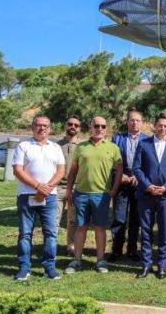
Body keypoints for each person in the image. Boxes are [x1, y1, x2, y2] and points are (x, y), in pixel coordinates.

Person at [64, 116, 123, 274]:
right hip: (81, 194)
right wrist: (69, 190)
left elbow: (119, 169)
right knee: (80, 227)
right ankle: (76, 261)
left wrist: (114, 189)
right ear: (90, 127)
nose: (100, 129)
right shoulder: (81, 147)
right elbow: (73, 171)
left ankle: (100, 261)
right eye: (96, 125)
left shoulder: (113, 148)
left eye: (103, 126)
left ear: (106, 129)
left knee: (99, 228)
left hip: (102, 195)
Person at [11, 116, 66, 281]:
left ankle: (49, 267)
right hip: (27, 196)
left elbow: (61, 171)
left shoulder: (55, 147)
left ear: (50, 128)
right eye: (38, 125)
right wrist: (37, 186)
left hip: (49, 197)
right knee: (25, 234)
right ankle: (24, 268)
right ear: (32, 127)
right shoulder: (23, 146)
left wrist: (46, 188)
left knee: (50, 233)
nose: (42, 128)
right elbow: (18, 171)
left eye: (45, 126)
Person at [132, 114, 166, 279]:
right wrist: (148, 186)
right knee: (146, 231)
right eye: (160, 125)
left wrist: (165, 187)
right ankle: (146, 264)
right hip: (146, 195)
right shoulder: (143, 144)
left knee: (164, 231)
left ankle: (162, 265)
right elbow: (137, 168)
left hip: (165, 196)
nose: (162, 128)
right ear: (154, 126)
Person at [109, 110, 149, 262]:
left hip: (139, 185)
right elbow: (110, 160)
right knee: (119, 218)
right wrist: (120, 176)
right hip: (121, 183)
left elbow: (149, 162)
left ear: (142, 123)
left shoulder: (148, 140)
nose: (134, 123)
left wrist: (140, 177)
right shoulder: (117, 138)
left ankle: (132, 250)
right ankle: (116, 250)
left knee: (135, 218)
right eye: (132, 120)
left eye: (138, 120)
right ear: (127, 122)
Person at [56, 115, 81, 255]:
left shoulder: (83, 147)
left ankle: (71, 246)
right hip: (58, 187)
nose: (73, 127)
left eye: (76, 125)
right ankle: (50, 245)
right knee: (54, 219)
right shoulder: (56, 146)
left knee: (73, 220)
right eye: (70, 124)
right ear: (65, 125)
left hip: (76, 188)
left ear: (79, 128)